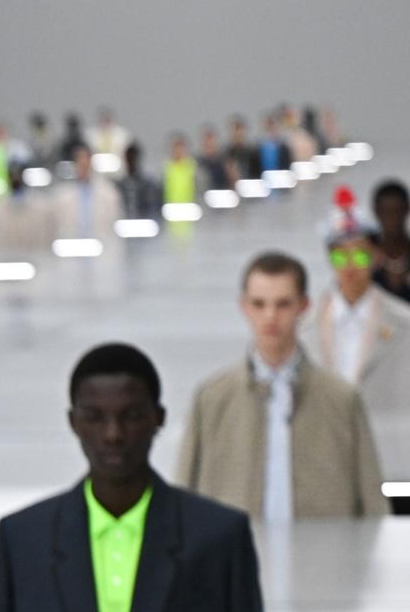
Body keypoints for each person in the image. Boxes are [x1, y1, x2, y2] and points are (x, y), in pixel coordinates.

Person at [0, 344, 273, 612]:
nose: (113, 434)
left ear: (158, 418)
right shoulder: (25, 540)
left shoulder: (218, 539)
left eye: (131, 416)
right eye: (94, 417)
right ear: (73, 422)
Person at [176, 252, 384, 520]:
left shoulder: (341, 400)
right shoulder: (212, 399)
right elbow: (183, 495)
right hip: (236, 558)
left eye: (283, 304)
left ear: (304, 305)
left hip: (327, 557)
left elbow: (372, 501)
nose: (271, 316)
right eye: (259, 304)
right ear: (244, 306)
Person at [301, 192, 410, 414]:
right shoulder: (304, 326)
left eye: (360, 256)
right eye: (340, 257)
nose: (350, 266)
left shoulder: (404, 322)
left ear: (376, 256)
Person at [51, 143, 122, 240]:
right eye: (79, 160)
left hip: (102, 248)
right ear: (75, 163)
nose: (83, 164)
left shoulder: (109, 194)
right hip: (71, 248)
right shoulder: (61, 196)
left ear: (91, 162)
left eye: (86, 159)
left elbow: (114, 227)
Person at [370, 180, 410, 304]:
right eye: (386, 213)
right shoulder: (366, 252)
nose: (393, 219)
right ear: (377, 212)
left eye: (397, 212)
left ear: (407, 210)